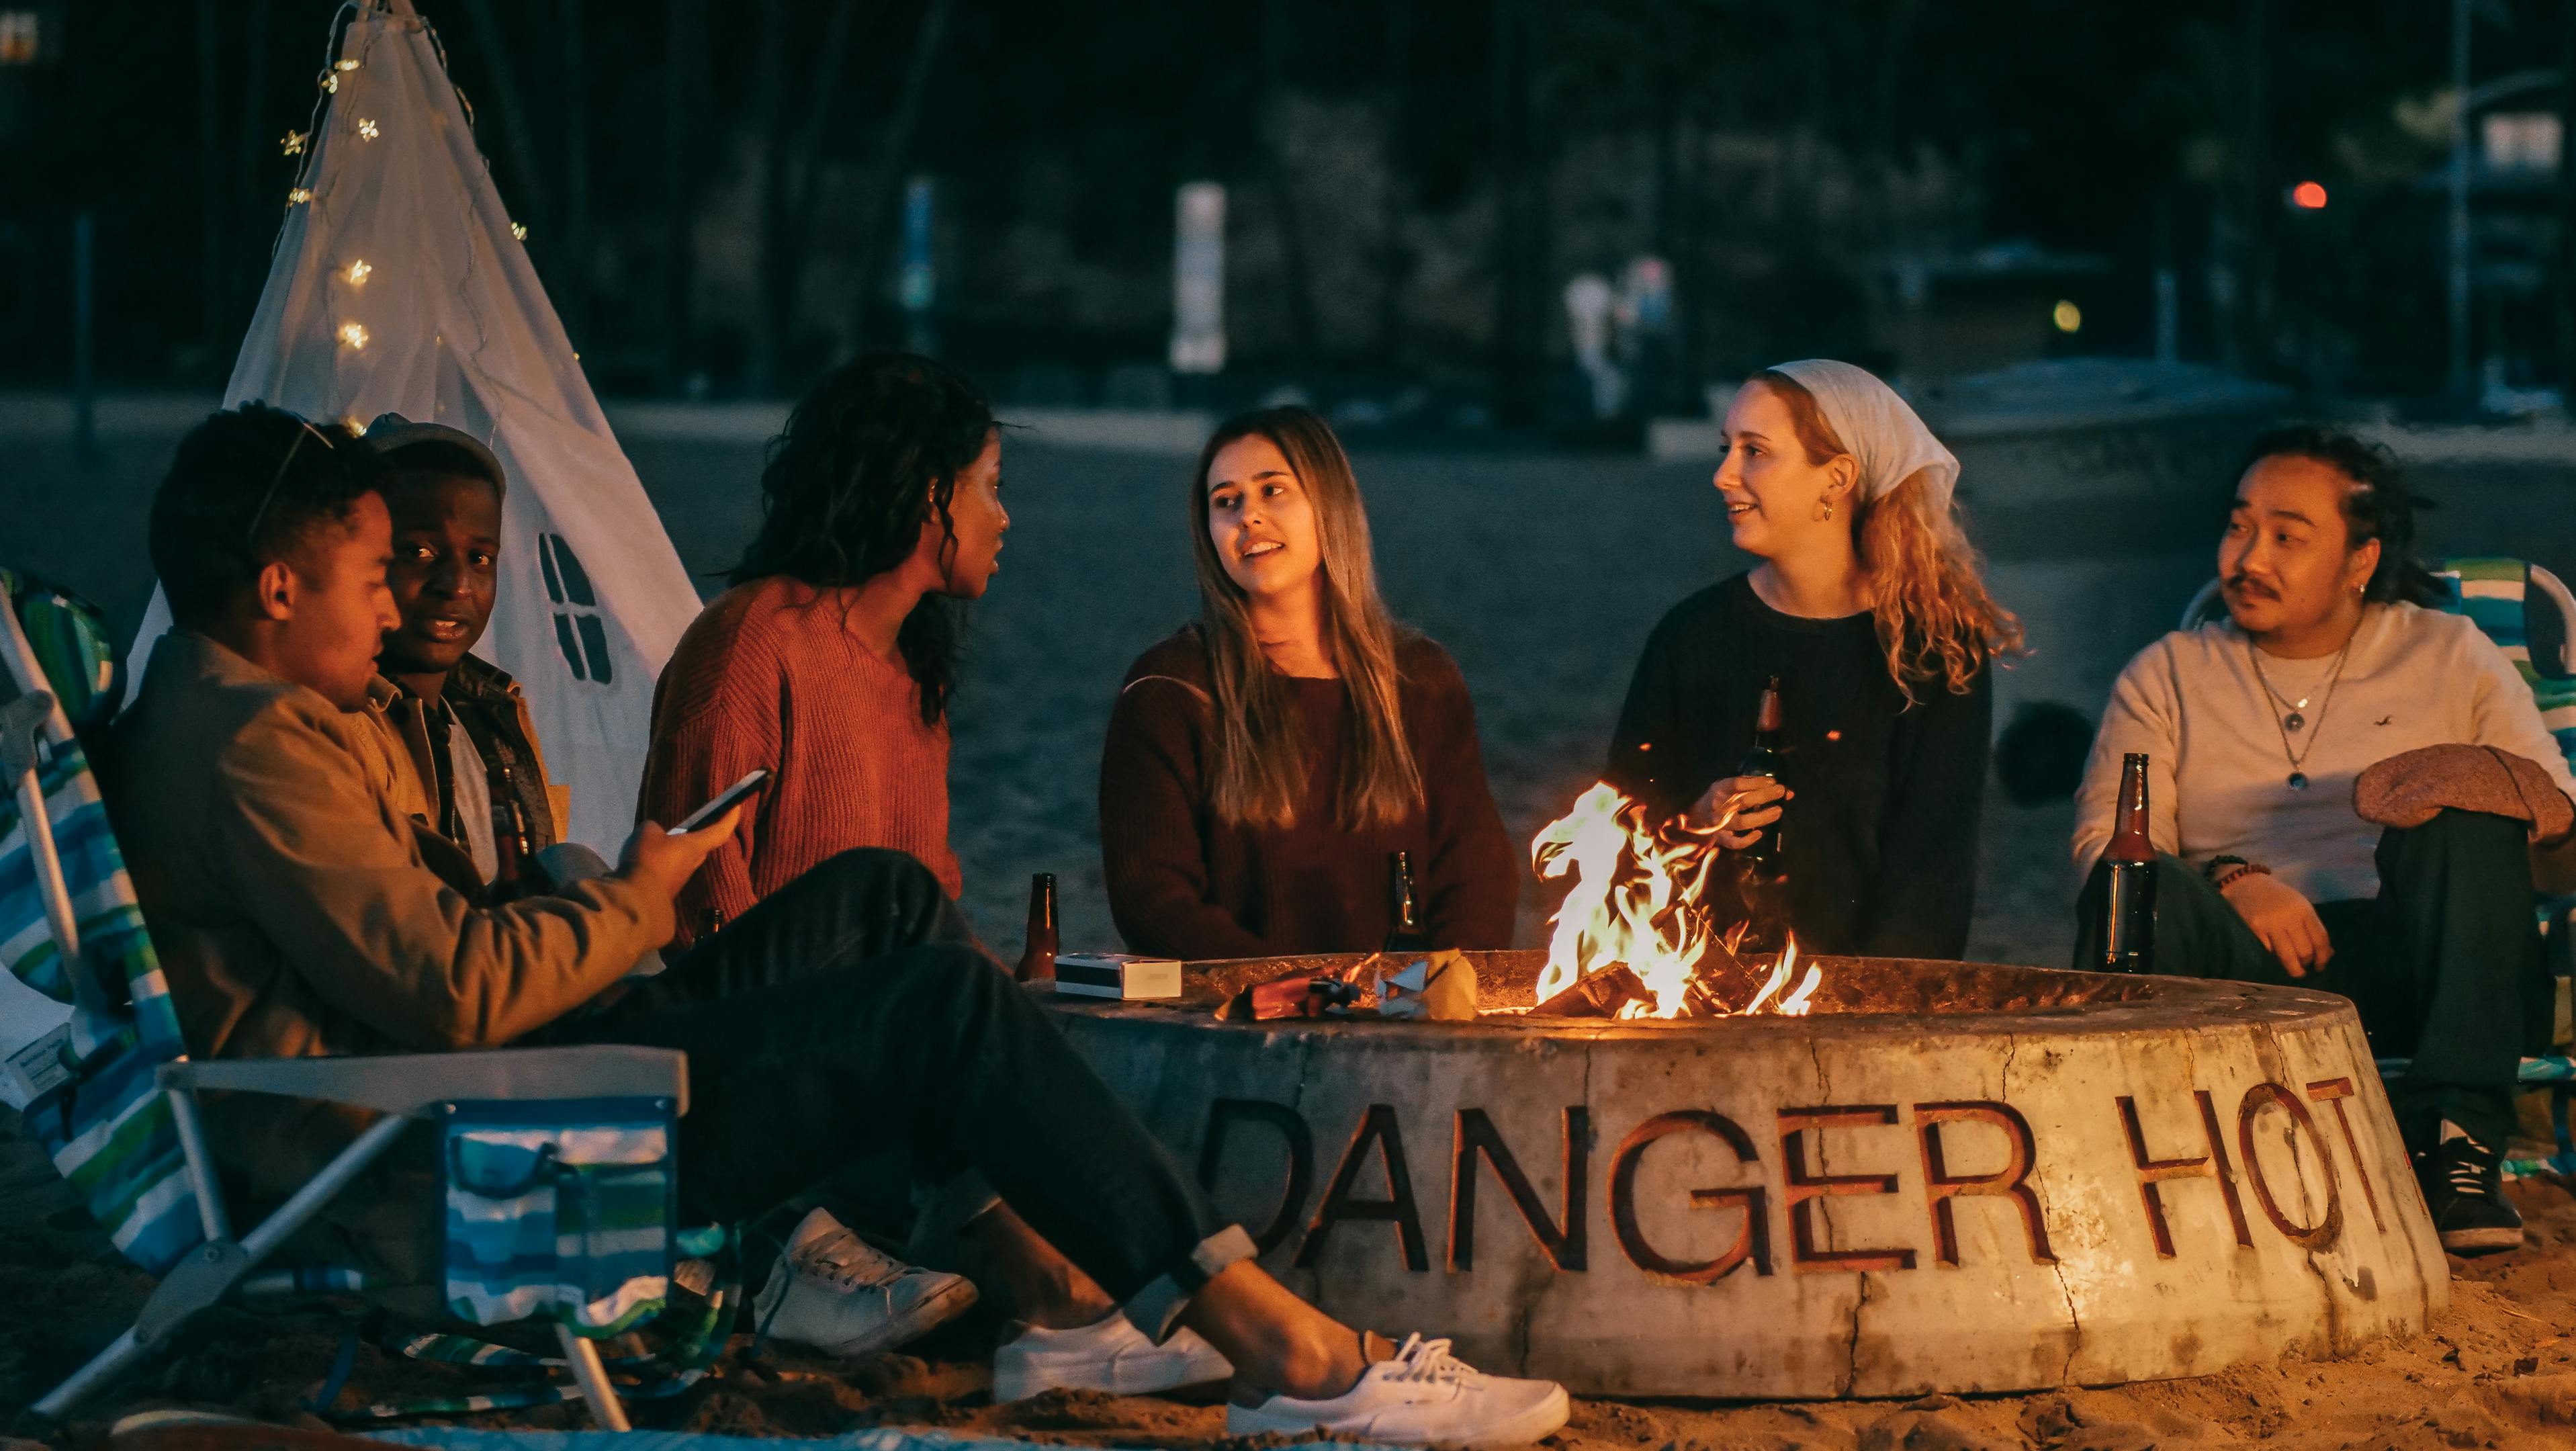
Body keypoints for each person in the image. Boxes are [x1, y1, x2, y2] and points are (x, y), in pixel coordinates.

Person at [101, 403, 1570, 1446]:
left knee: (884, 904)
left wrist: (589, 897)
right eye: (372, 576)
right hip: (465, 1140)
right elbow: (458, 993)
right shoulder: (259, 747)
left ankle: (1069, 1300)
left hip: (503, 1069)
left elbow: (426, 951)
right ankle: (1289, 1352)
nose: (398, 599)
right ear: (278, 584)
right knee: (939, 1006)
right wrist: (643, 890)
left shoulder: (236, 709)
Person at [2070, 425, 2576, 1255]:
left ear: (2359, 561)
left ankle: (2458, 1148)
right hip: (2250, 976)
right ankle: (2141, 1143)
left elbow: (2561, 846)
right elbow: (2103, 849)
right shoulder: (2170, 673)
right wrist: (2234, 878)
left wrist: (2490, 794)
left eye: (2286, 537)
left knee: (2466, 803)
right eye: (2238, 527)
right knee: (2136, 879)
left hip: (2434, 965)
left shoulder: (2450, 654)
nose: (2247, 558)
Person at [1605, 360, 2020, 959]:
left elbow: (1933, 872)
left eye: (1755, 452)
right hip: (1689, 989)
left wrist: (1873, 1016)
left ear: (1836, 477)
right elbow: (1617, 828)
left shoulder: (1932, 650)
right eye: (1727, 449)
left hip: (1863, 1005)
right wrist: (1699, 817)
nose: (1724, 475)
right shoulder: (1691, 635)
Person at [1098, 406, 1518, 960]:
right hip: (1242, 1022)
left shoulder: (1418, 679)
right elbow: (1152, 897)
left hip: (1408, 1021)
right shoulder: (1170, 689)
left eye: (1273, 491)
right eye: (1226, 502)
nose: (1248, 517)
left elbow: (1475, 870)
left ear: (1329, 504)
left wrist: (1452, 979)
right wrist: (1289, 992)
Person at [639, 352, 1000, 943]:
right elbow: (699, 897)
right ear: (932, 494)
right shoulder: (753, 640)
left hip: (888, 1009)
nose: (1003, 517)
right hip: (773, 1016)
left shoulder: (913, 669)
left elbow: (933, 907)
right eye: (991, 486)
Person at [361, 415, 565, 896]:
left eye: (480, 558)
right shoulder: (344, 727)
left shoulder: (493, 712)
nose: (456, 586)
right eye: (419, 551)